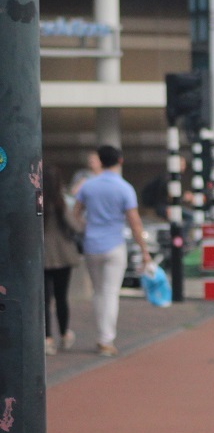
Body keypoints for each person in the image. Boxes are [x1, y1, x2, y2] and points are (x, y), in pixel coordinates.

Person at [74, 144, 152, 357]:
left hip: (91, 245)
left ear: (99, 160)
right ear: (120, 161)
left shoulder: (88, 186)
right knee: (110, 292)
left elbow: (76, 214)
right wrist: (143, 250)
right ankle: (106, 339)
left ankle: (102, 335)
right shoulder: (124, 188)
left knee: (98, 292)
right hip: (114, 245)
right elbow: (134, 222)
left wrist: (86, 229)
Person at [42, 164, 83, 355]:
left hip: (42, 256)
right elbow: (75, 227)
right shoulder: (61, 203)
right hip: (63, 255)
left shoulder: (36, 202)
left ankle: (46, 338)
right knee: (61, 297)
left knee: (44, 299)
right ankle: (64, 334)